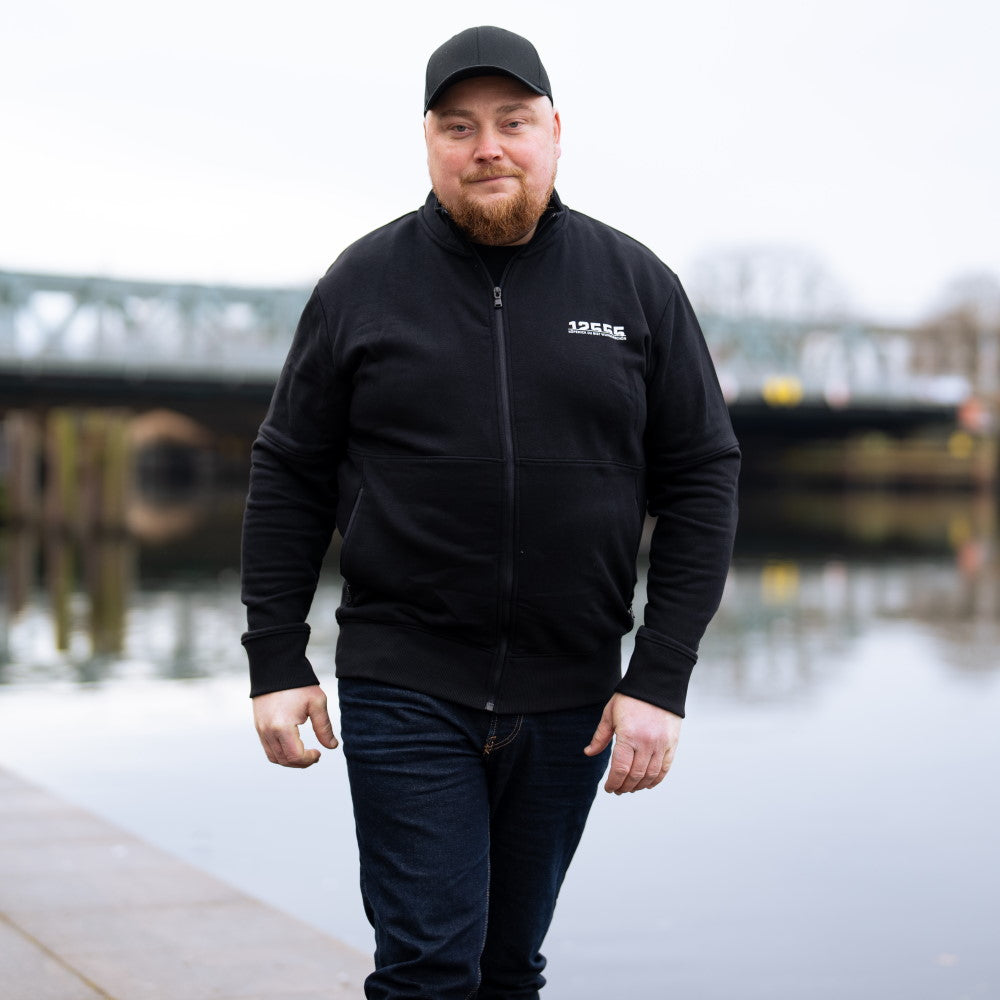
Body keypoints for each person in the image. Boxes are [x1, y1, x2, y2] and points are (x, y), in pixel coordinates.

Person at [241, 25, 740, 1000]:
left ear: (555, 131)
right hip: (404, 679)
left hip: (572, 691)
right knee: (429, 968)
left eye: (512, 122)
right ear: (429, 140)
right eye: (459, 126)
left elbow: (702, 474)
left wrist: (661, 675)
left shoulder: (636, 284)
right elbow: (289, 468)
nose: (488, 147)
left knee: (509, 968)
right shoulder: (362, 282)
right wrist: (274, 654)